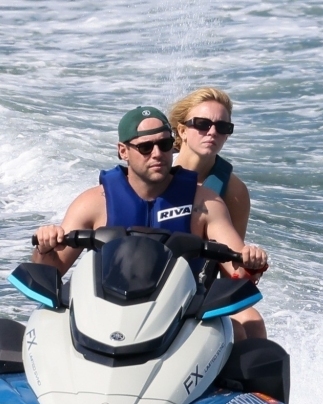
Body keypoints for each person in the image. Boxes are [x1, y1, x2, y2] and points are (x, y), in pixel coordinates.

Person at [33, 106, 268, 340]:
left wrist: (251, 262)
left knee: (239, 332)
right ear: (123, 151)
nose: (157, 154)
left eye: (164, 145)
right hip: (104, 315)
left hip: (182, 315)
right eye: (145, 147)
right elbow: (50, 270)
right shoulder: (93, 203)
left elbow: (238, 272)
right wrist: (45, 247)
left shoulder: (205, 203)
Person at [169, 87, 266, 339]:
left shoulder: (233, 191)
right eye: (202, 124)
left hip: (201, 286)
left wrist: (249, 264)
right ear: (182, 131)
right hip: (158, 278)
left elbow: (231, 270)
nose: (212, 132)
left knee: (252, 323)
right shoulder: (159, 172)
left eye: (223, 127)